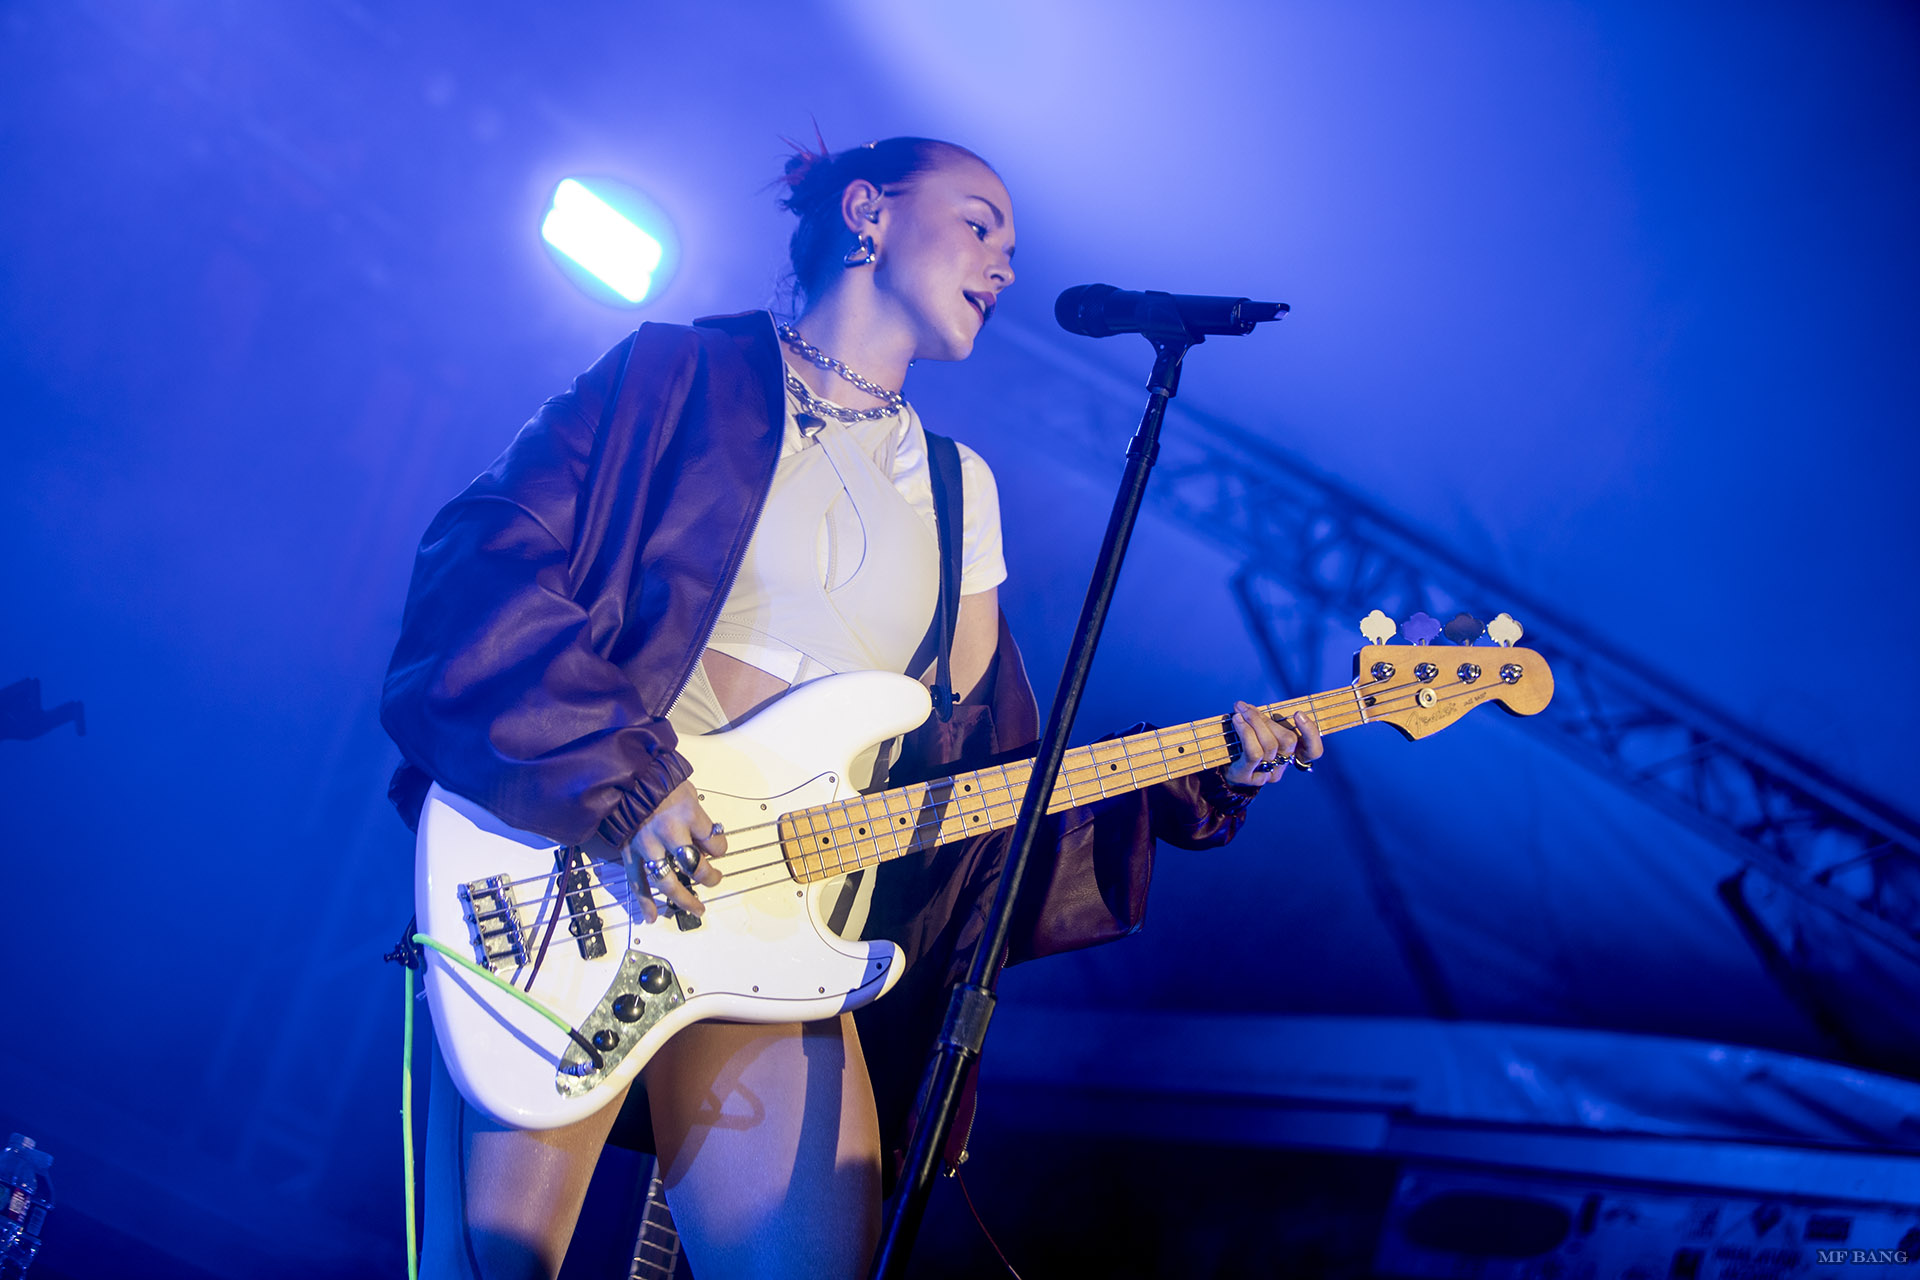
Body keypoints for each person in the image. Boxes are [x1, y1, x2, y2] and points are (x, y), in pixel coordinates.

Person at [381, 136, 1324, 1280]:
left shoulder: (959, 490)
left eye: (1011, 244)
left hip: (779, 927)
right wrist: (626, 779)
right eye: (979, 223)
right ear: (868, 211)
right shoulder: (674, 377)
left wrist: (1195, 773)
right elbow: (481, 566)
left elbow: (988, 794)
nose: (1005, 265)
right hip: (579, 867)